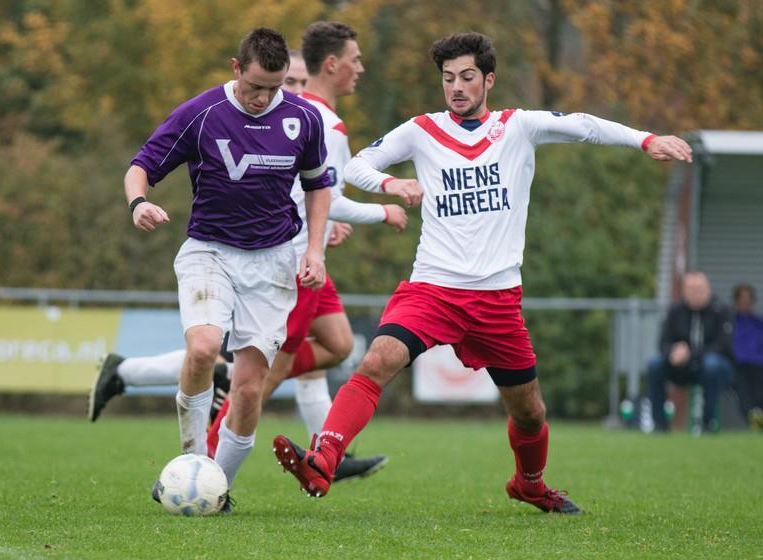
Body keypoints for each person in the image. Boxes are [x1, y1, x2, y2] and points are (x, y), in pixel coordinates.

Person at [272, 31, 692, 513]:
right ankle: (324, 460)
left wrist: (646, 140)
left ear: (488, 80)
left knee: (530, 412)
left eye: (467, 77)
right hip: (432, 288)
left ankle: (530, 484)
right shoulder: (422, 130)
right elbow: (357, 167)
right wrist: (392, 182)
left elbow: (583, 124)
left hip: (496, 299)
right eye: (448, 78)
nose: (456, 87)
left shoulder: (517, 127)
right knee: (377, 361)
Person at [126, 28, 332, 512]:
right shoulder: (201, 113)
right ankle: (191, 463)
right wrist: (138, 202)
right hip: (209, 251)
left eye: (275, 88)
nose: (264, 98)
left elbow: (318, 184)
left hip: (274, 261)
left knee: (248, 389)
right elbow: (142, 165)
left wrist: (315, 250)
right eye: (255, 86)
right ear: (236, 68)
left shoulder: (303, 117)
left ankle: (215, 490)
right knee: (201, 348)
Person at [207, 23, 404, 474]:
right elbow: (327, 196)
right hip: (294, 263)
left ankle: (320, 451)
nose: (360, 68)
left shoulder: (301, 112)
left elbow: (309, 193)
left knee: (337, 344)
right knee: (264, 374)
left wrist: (326, 224)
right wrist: (383, 212)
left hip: (307, 257)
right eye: (354, 60)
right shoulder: (322, 122)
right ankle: (208, 454)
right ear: (332, 65)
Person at [647, 271, 734, 433]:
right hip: (681, 367)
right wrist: (672, 353)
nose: (696, 293)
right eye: (692, 289)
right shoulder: (675, 311)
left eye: (700, 289)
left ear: (708, 289)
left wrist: (691, 353)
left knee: (712, 365)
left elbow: (723, 346)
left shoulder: (722, 310)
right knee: (655, 364)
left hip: (714, 368)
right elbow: (663, 342)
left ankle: (709, 423)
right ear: (684, 292)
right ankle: (659, 424)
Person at [731, 283, 763, 429]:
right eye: (742, 299)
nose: (745, 302)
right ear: (736, 301)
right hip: (739, 366)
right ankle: (752, 416)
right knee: (743, 387)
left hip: (759, 366)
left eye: (748, 299)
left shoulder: (758, 324)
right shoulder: (730, 323)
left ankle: (758, 416)